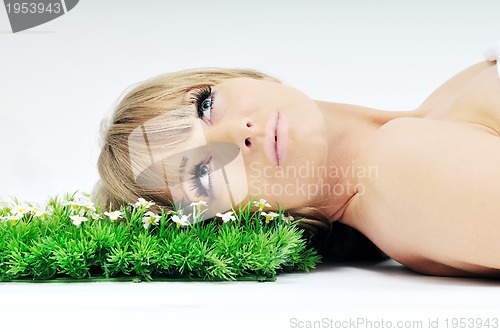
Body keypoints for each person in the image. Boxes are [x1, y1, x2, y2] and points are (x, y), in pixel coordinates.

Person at [95, 44, 500, 279]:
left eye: (205, 105)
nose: (238, 134)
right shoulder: (403, 170)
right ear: (242, 223)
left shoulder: (435, 107)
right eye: (203, 174)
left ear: (236, 75)